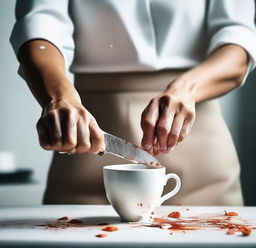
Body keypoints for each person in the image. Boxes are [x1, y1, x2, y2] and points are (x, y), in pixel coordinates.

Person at [10, 0, 256, 205]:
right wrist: (60, 97)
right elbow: (40, 22)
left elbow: (239, 37)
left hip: (202, 148)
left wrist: (185, 90)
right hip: (87, 139)